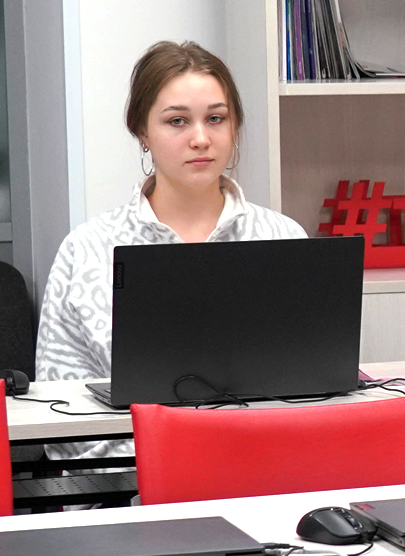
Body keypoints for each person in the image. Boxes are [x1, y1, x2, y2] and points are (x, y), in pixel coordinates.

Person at [36, 42, 304, 393]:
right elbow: (59, 401)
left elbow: (314, 378)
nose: (201, 139)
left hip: (260, 430)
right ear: (142, 131)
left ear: (234, 126)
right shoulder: (87, 249)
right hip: (129, 432)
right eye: (177, 121)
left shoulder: (283, 238)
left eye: (216, 119)